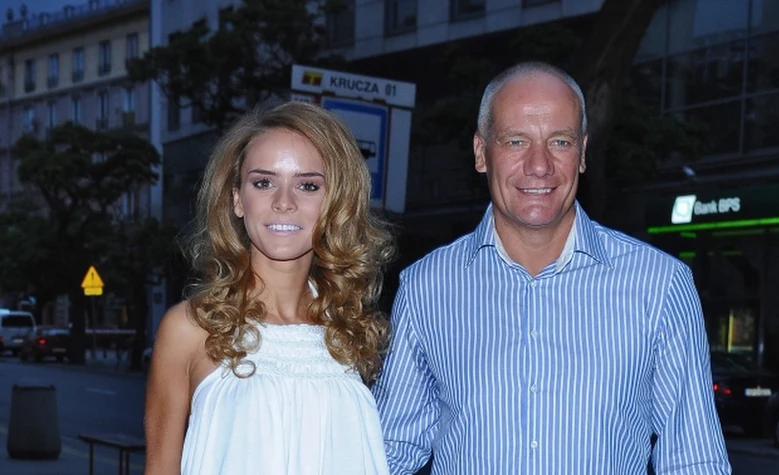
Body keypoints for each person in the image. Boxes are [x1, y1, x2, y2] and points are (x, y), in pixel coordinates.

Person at [372, 61, 731, 474]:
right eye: (516, 141)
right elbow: (389, 451)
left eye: (560, 141)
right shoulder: (426, 287)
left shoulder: (660, 285)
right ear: (481, 152)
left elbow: (694, 460)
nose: (539, 165)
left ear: (582, 153)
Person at [144, 101, 394, 475]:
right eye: (263, 183)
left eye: (308, 185)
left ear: (334, 202)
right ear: (237, 199)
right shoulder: (190, 329)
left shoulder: (353, 332)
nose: (284, 202)